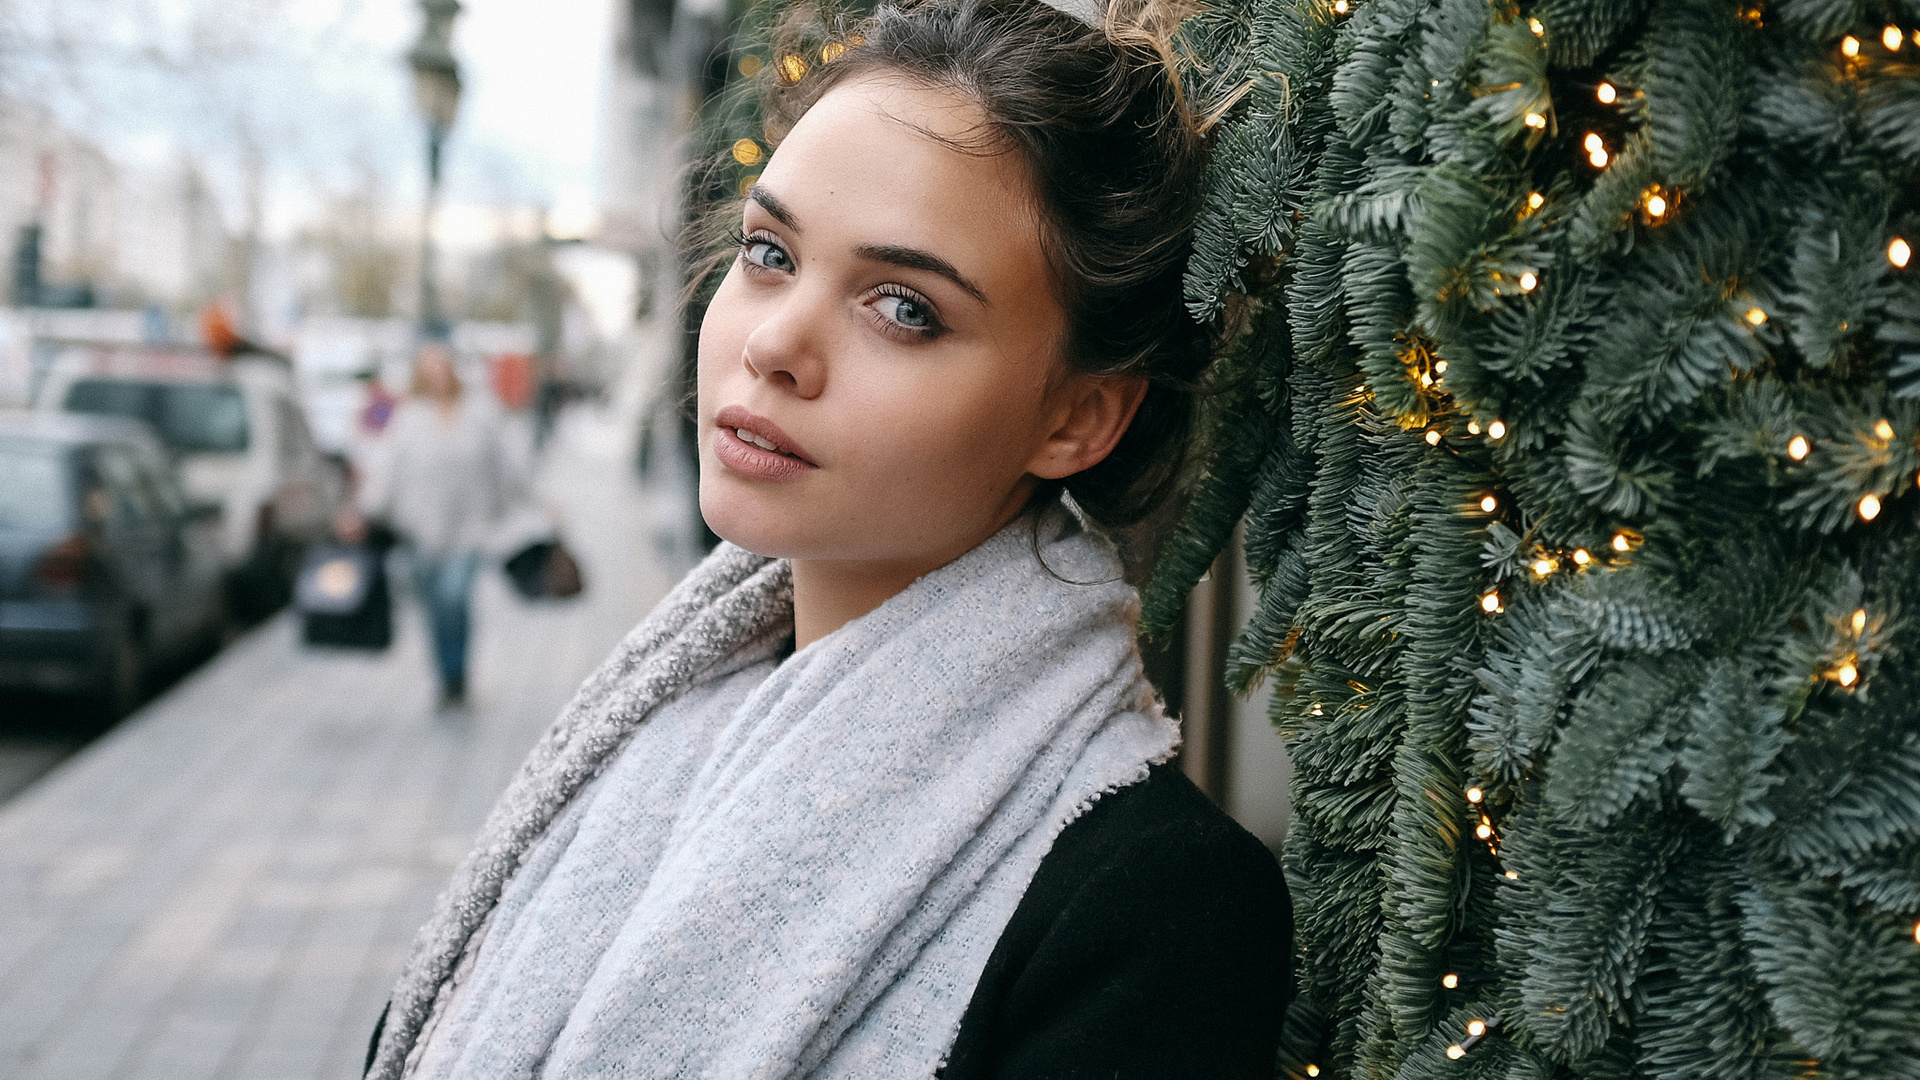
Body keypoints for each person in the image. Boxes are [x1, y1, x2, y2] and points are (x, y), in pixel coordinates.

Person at [363, 0, 1291, 1076]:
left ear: (1076, 417)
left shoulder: (1153, 908)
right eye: (769, 252)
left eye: (903, 308)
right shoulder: (651, 727)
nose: (774, 344)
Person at [340, 341, 524, 708]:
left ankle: (457, 676)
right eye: (429, 369)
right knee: (435, 608)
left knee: (456, 599)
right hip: (420, 533)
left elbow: (504, 469)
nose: (437, 376)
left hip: (469, 531)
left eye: (442, 367)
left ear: (452, 371)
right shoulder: (410, 418)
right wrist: (360, 510)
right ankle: (445, 675)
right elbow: (388, 474)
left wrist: (531, 504)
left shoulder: (479, 415)